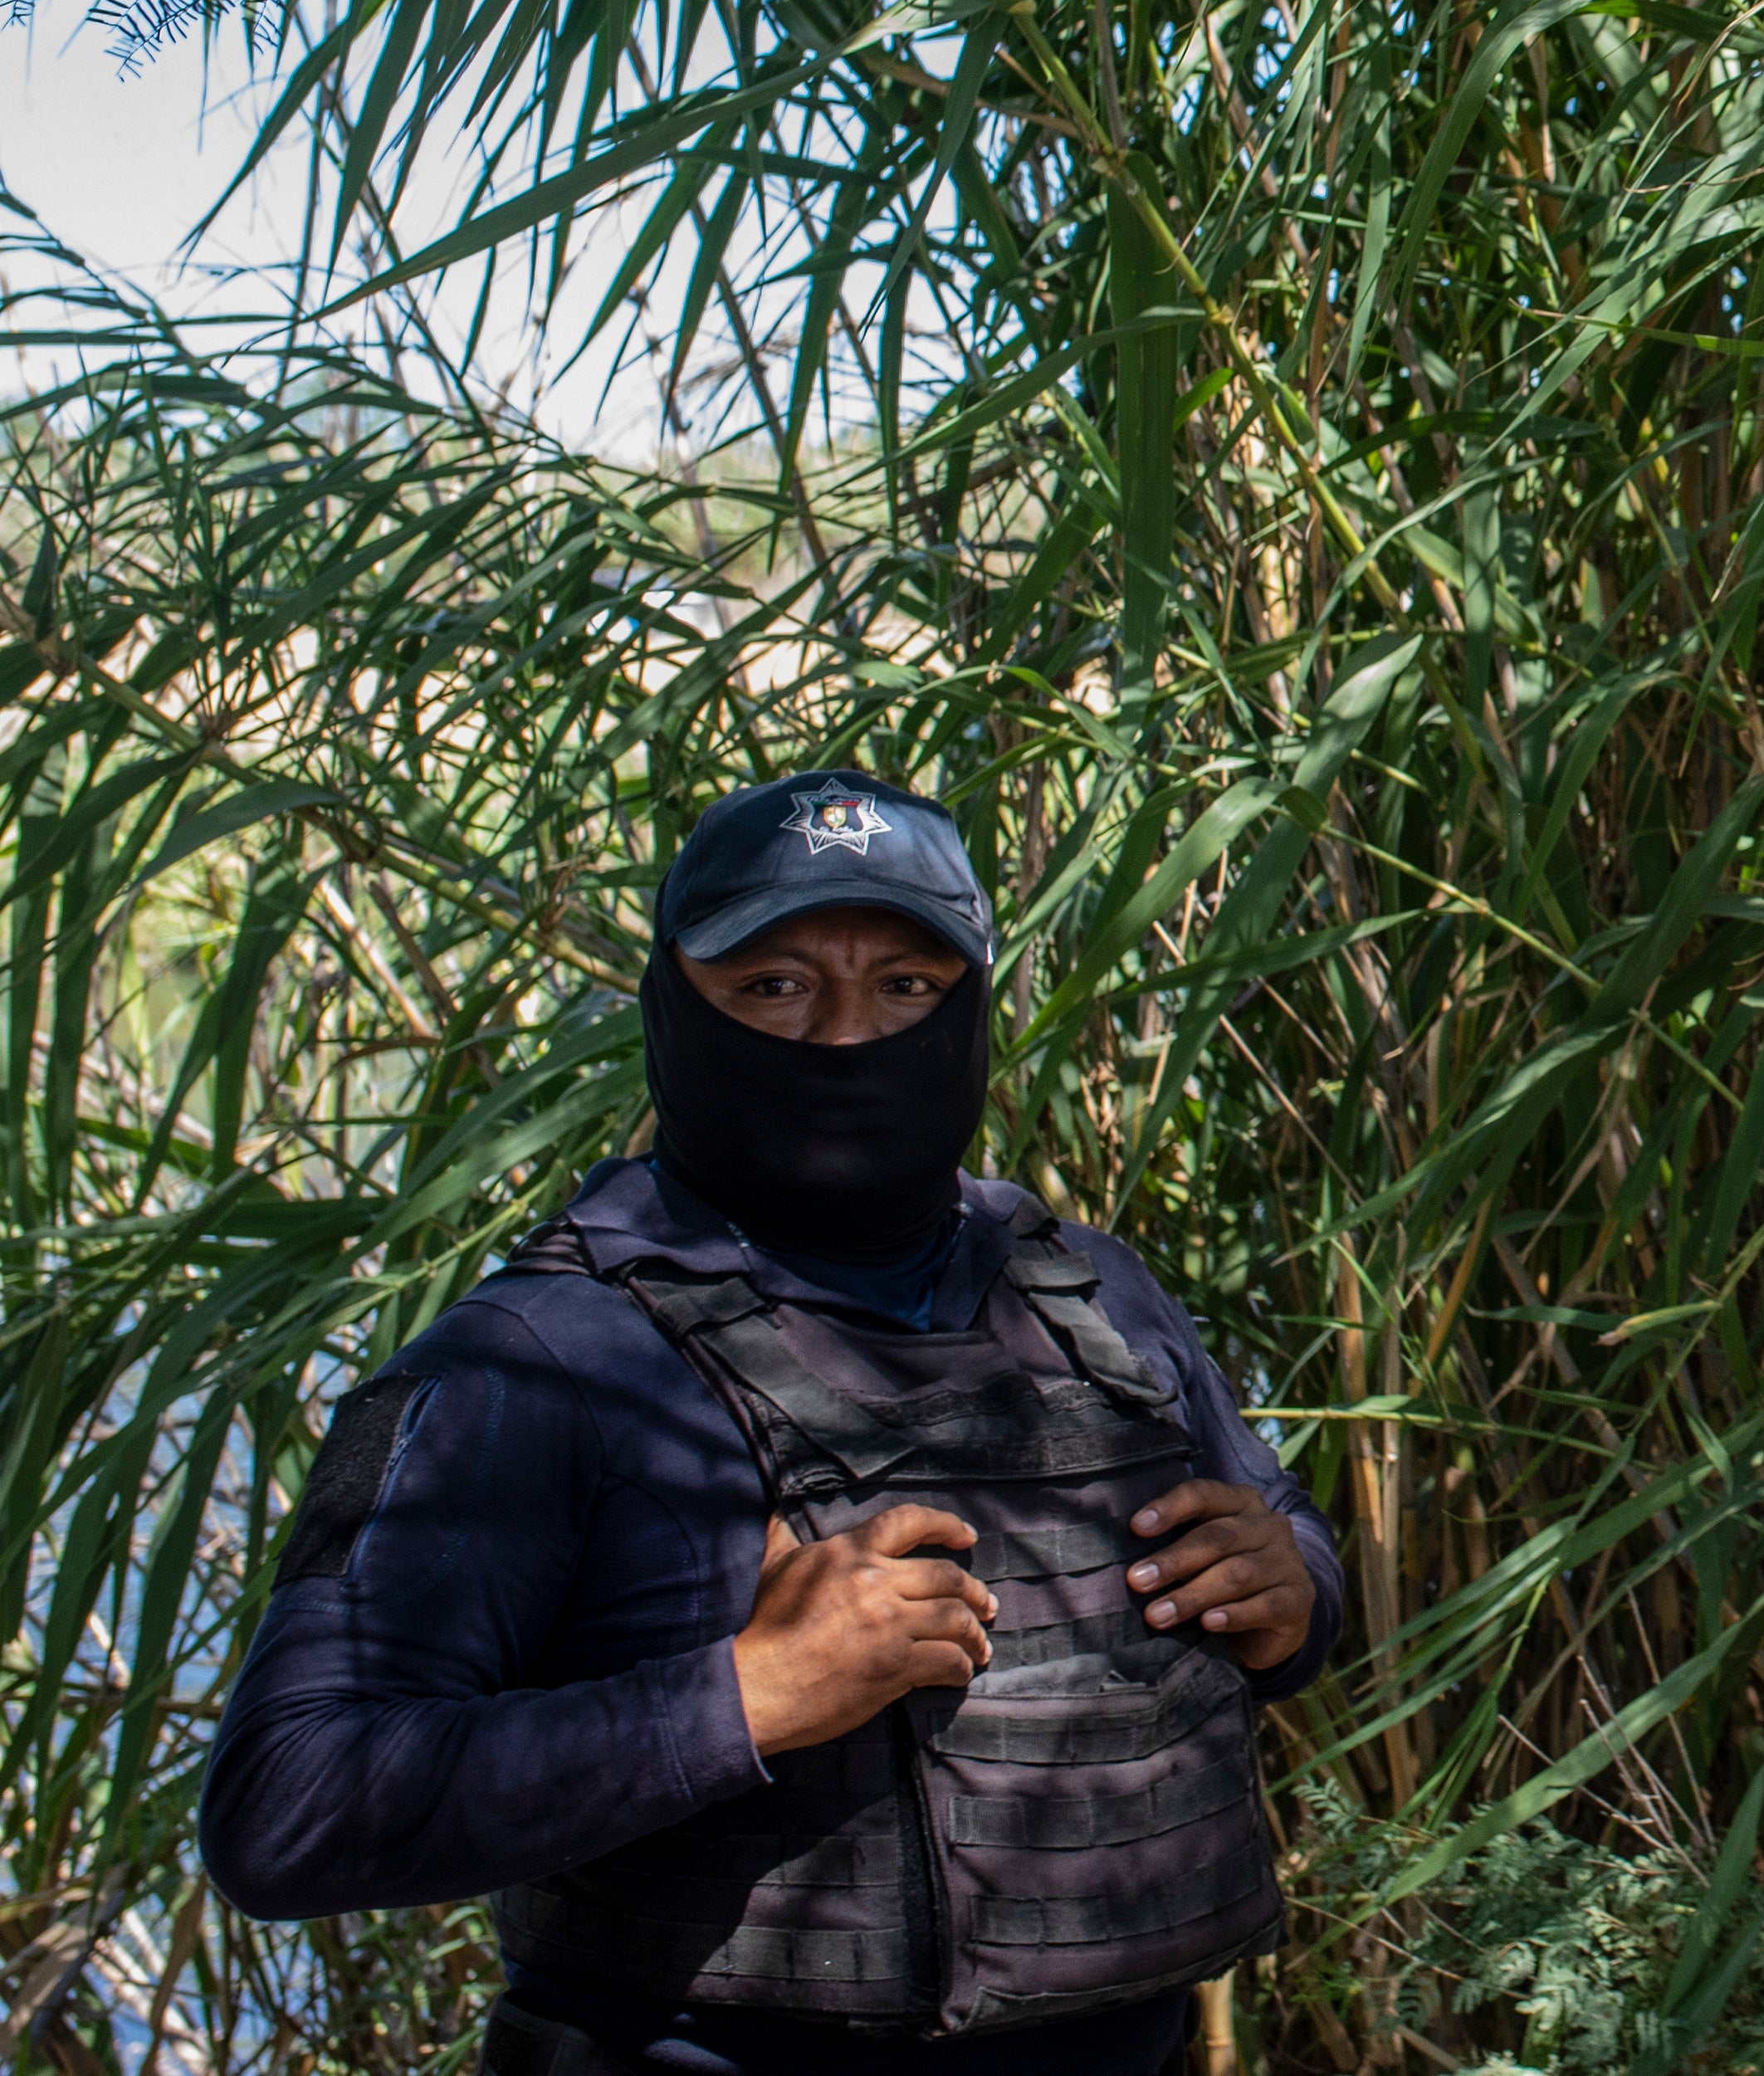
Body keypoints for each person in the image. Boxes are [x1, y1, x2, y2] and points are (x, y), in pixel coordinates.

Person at [203, 769, 1343, 2075]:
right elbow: (285, 1805)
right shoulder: (529, 1361)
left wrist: (1291, 1585)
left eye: (905, 987)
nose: (848, 1038)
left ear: (971, 1006)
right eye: (775, 987)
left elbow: (1284, 1539)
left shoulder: (1091, 1289)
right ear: (672, 1010)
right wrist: (745, 1693)